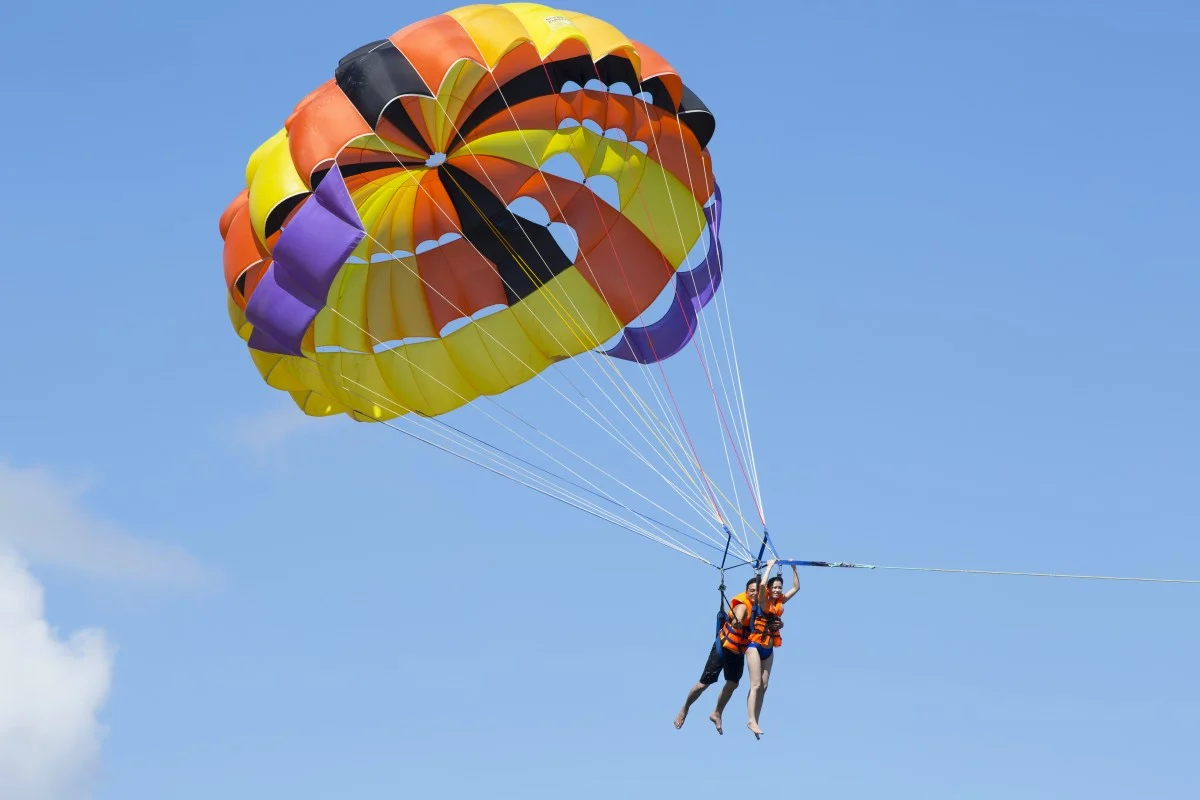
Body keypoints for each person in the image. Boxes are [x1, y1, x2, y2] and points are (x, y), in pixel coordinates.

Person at [674, 575, 759, 734]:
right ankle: (685, 708)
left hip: (738, 652)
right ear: (746, 591)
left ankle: (717, 712)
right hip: (724, 648)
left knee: (733, 684)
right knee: (703, 685)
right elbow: (739, 614)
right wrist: (737, 622)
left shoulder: (761, 606)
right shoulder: (743, 604)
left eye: (757, 591)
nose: (754, 593)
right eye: (751, 591)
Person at [745, 558, 799, 738]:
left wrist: (794, 568)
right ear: (769, 589)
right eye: (774, 588)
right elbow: (761, 586)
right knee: (756, 683)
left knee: (765, 685)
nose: (777, 590)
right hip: (755, 646)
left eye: (779, 588)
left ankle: (756, 720)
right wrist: (768, 567)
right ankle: (750, 719)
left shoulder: (780, 601)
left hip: (769, 648)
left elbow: (796, 588)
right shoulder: (763, 600)